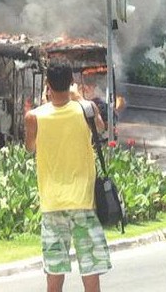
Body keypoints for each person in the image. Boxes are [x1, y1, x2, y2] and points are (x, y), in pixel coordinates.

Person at [24, 63, 111, 292]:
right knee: (90, 268)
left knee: (55, 271)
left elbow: (30, 147)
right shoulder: (86, 109)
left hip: (52, 203)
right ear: (71, 82)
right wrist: (79, 98)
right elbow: (101, 129)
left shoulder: (34, 116)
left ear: (48, 85)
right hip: (83, 201)